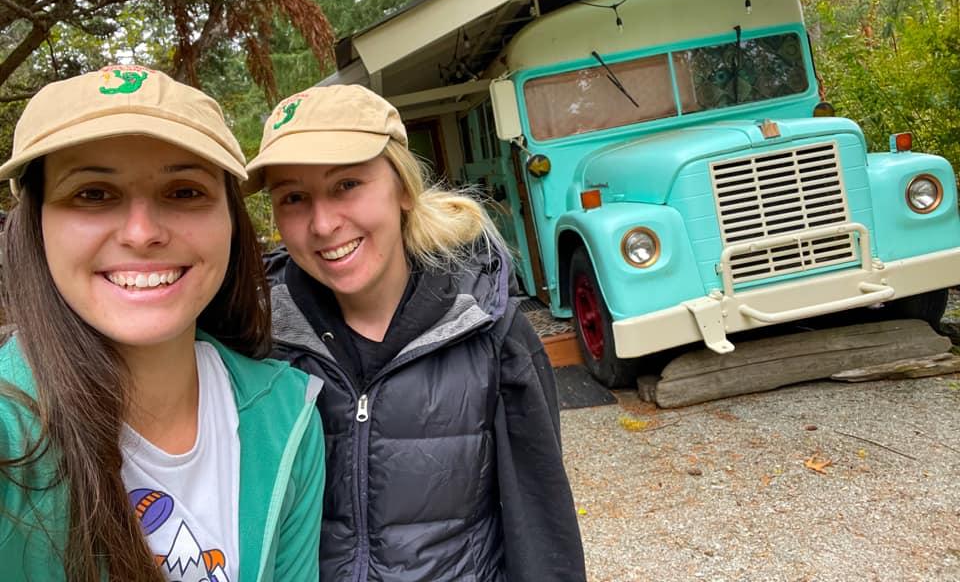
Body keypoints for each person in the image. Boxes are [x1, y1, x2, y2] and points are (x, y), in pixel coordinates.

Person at [245, 84, 587, 582]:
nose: (323, 223)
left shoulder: (491, 334)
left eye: (346, 185)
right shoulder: (259, 342)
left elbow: (540, 528)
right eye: (294, 197)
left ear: (403, 188)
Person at [0, 66, 325, 582]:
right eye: (92, 194)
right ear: (36, 226)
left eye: (184, 191)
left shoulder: (289, 415)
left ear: (231, 222)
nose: (142, 232)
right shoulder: (9, 429)